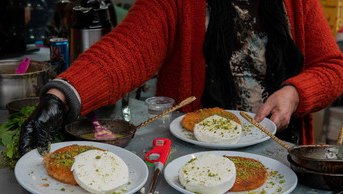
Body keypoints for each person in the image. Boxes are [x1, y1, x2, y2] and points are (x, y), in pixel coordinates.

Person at [19, 0, 343, 155]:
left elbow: (333, 67)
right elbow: (128, 49)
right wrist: (63, 95)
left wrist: (295, 92)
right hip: (192, 160)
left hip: (280, 153)